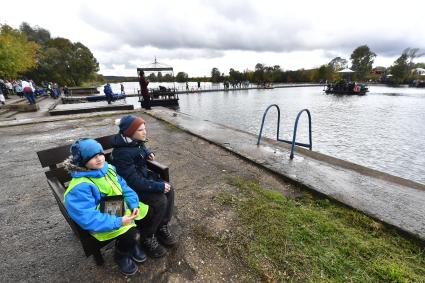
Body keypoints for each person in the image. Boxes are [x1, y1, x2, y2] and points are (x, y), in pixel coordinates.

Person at [63, 138, 151, 275]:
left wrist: (133, 202)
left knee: (146, 214)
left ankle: (132, 243)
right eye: (91, 157)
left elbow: (123, 185)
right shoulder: (80, 187)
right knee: (130, 233)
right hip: (102, 219)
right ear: (82, 161)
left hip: (118, 206)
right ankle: (121, 255)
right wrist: (118, 221)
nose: (98, 159)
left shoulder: (107, 168)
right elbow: (88, 217)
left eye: (100, 154)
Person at [111, 115, 177, 258]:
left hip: (142, 179)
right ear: (129, 132)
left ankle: (162, 226)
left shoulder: (133, 141)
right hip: (131, 188)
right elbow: (133, 181)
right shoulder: (121, 154)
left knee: (170, 190)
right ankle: (148, 236)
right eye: (140, 130)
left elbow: (141, 147)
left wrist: (148, 153)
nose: (145, 132)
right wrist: (157, 186)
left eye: (145, 128)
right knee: (160, 200)